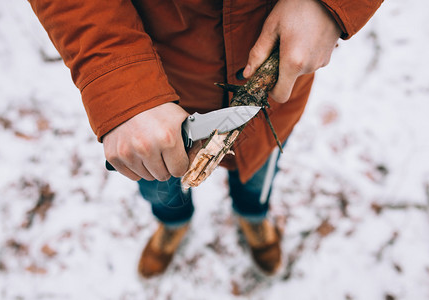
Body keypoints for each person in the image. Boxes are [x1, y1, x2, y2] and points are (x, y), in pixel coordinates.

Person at [29, 0, 382, 277]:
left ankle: (253, 217)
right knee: (160, 185)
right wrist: (121, 85)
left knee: (258, 177)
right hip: (158, 101)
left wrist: (330, 3)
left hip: (275, 100)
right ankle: (173, 224)